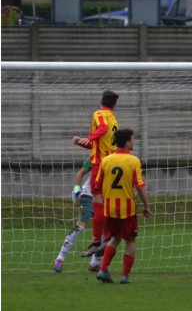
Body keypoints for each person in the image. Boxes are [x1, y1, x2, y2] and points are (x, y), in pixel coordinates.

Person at [95, 128, 151, 284]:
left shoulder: (106, 160)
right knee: (131, 240)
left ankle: (103, 270)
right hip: (127, 209)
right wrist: (146, 206)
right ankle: (125, 276)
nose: (134, 142)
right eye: (133, 139)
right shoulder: (133, 161)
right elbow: (139, 187)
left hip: (110, 208)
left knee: (114, 238)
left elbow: (97, 185)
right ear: (127, 142)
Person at [73, 90, 120, 257]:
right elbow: (100, 143)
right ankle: (106, 238)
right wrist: (82, 142)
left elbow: (102, 128)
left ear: (101, 101)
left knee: (97, 200)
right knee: (106, 201)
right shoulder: (114, 119)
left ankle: (97, 241)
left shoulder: (100, 113)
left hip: (100, 165)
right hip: (112, 162)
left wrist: (90, 137)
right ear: (115, 105)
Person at [53, 157, 103, 273]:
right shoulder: (95, 156)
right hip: (89, 195)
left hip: (104, 197)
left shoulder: (115, 157)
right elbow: (81, 172)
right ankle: (60, 258)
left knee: (106, 229)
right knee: (81, 225)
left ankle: (95, 262)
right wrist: (76, 188)